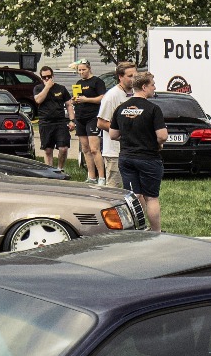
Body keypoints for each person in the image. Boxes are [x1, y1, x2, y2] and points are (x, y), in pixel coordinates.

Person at [110, 72, 169, 232]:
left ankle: (137, 228)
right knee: (151, 197)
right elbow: (162, 136)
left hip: (126, 158)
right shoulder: (153, 109)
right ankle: (156, 231)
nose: (154, 88)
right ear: (144, 87)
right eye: (152, 85)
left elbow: (113, 134)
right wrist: (157, 142)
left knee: (134, 196)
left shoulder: (120, 108)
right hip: (148, 158)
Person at [96, 64, 135, 189]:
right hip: (114, 152)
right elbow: (101, 122)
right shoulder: (112, 95)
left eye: (135, 75)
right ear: (120, 77)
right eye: (130, 76)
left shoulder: (136, 94)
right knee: (114, 190)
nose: (133, 78)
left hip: (132, 151)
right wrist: (123, 133)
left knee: (132, 189)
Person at [70, 60, 107, 184]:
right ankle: (91, 176)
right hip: (80, 117)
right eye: (79, 70)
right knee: (85, 149)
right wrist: (75, 100)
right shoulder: (79, 83)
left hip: (93, 117)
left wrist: (87, 99)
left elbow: (102, 98)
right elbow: (76, 98)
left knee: (94, 149)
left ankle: (101, 177)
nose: (81, 72)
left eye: (83, 70)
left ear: (89, 68)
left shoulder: (97, 81)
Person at [33, 67, 73, 171]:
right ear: (41, 78)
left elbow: (69, 105)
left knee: (63, 148)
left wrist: (72, 120)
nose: (47, 79)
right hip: (45, 123)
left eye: (49, 77)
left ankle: (60, 169)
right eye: (44, 77)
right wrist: (47, 87)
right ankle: (50, 171)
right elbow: (38, 100)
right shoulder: (38, 88)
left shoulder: (61, 88)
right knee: (48, 150)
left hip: (60, 122)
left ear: (53, 76)